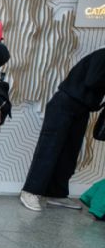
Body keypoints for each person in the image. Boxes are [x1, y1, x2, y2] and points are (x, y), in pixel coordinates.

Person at [19, 48, 105, 212]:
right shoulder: (103, 55)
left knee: (69, 154)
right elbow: (92, 80)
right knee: (48, 150)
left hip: (82, 109)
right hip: (65, 104)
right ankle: (30, 192)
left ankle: (56, 194)